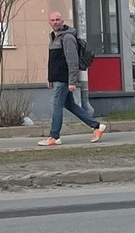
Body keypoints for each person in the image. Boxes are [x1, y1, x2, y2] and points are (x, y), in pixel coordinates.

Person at [41, 12, 106, 145]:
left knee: (56, 105)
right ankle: (97, 126)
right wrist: (50, 79)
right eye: (52, 20)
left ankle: (54, 136)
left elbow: (72, 61)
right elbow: (53, 61)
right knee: (69, 104)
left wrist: (72, 81)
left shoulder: (67, 37)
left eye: (58, 19)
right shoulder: (54, 37)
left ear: (62, 21)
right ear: (49, 22)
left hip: (64, 79)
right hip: (58, 78)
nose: (55, 22)